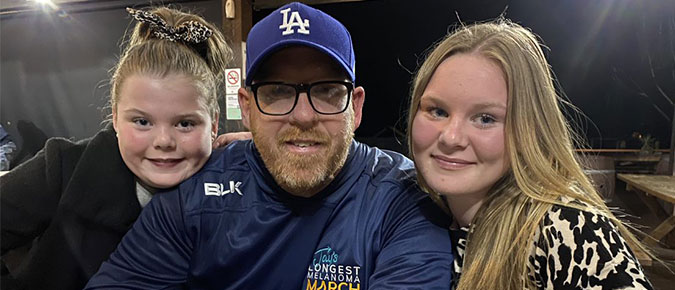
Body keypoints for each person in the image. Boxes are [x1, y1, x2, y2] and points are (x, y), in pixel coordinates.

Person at [86, 2, 453, 289]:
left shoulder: (404, 199)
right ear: (247, 108)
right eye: (278, 93)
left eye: (326, 91)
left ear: (355, 107)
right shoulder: (195, 195)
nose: (304, 116)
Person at [407, 19, 653, 289]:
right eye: (437, 111)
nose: (451, 137)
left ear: (529, 129)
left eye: (486, 118)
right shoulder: (417, 210)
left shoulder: (568, 228)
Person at [0, 7, 233, 290]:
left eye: (185, 124)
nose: (163, 141)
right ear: (115, 118)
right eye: (142, 121)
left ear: (214, 124)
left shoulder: (235, 187)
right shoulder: (64, 168)